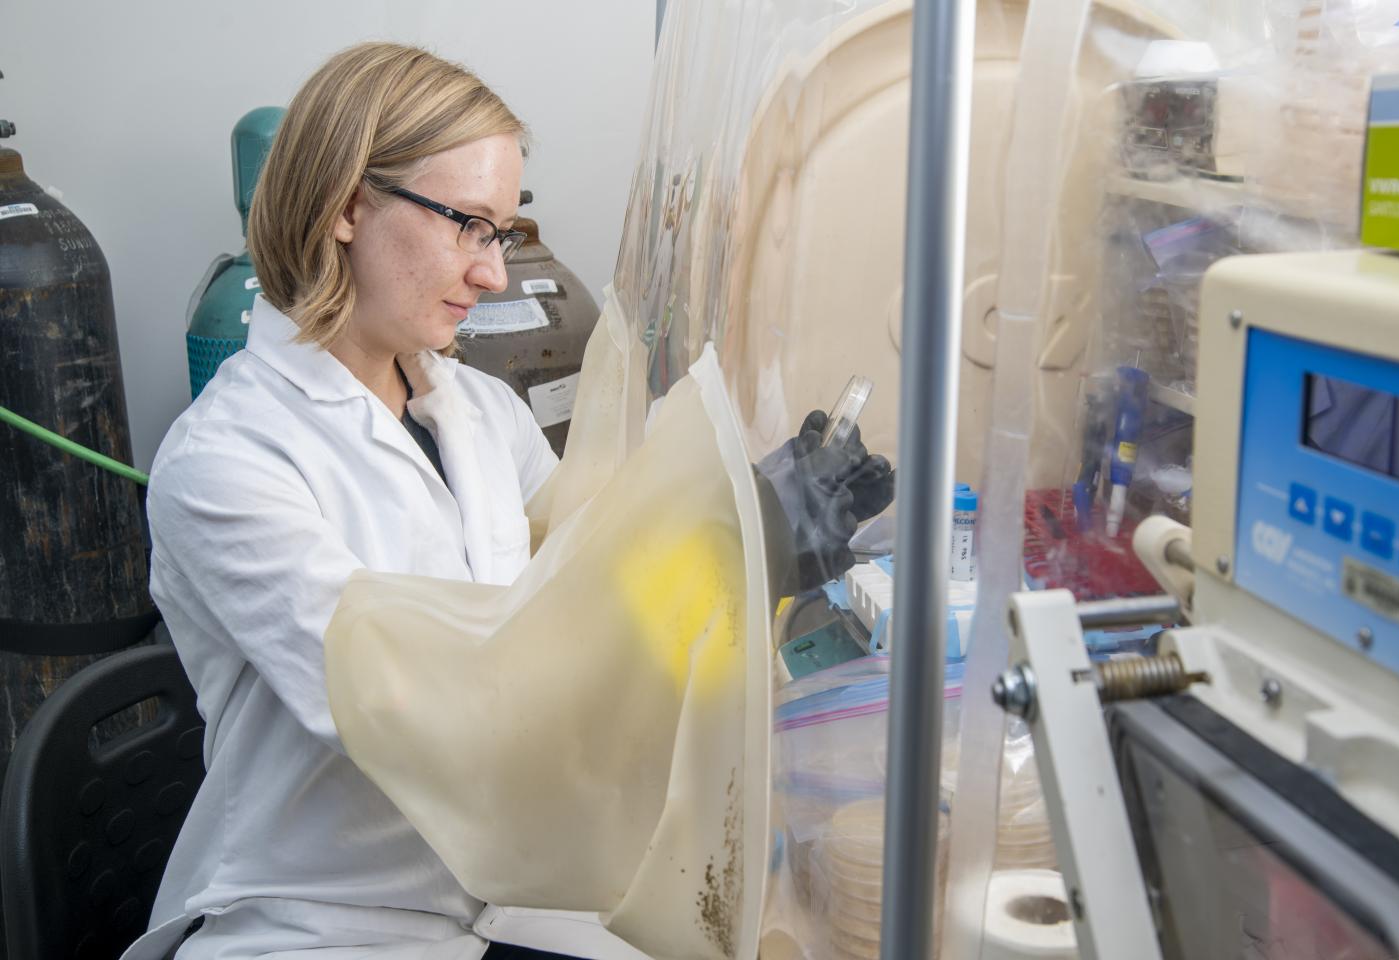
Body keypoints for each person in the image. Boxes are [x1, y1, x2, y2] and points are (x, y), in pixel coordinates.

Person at [124, 42, 889, 960]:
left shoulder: (479, 412)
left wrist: (742, 530)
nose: (492, 274)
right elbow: (445, 714)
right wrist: (738, 544)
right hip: (326, 922)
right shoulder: (227, 463)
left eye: (502, 233)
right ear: (347, 207)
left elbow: (596, 573)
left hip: (510, 888)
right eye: (468, 226)